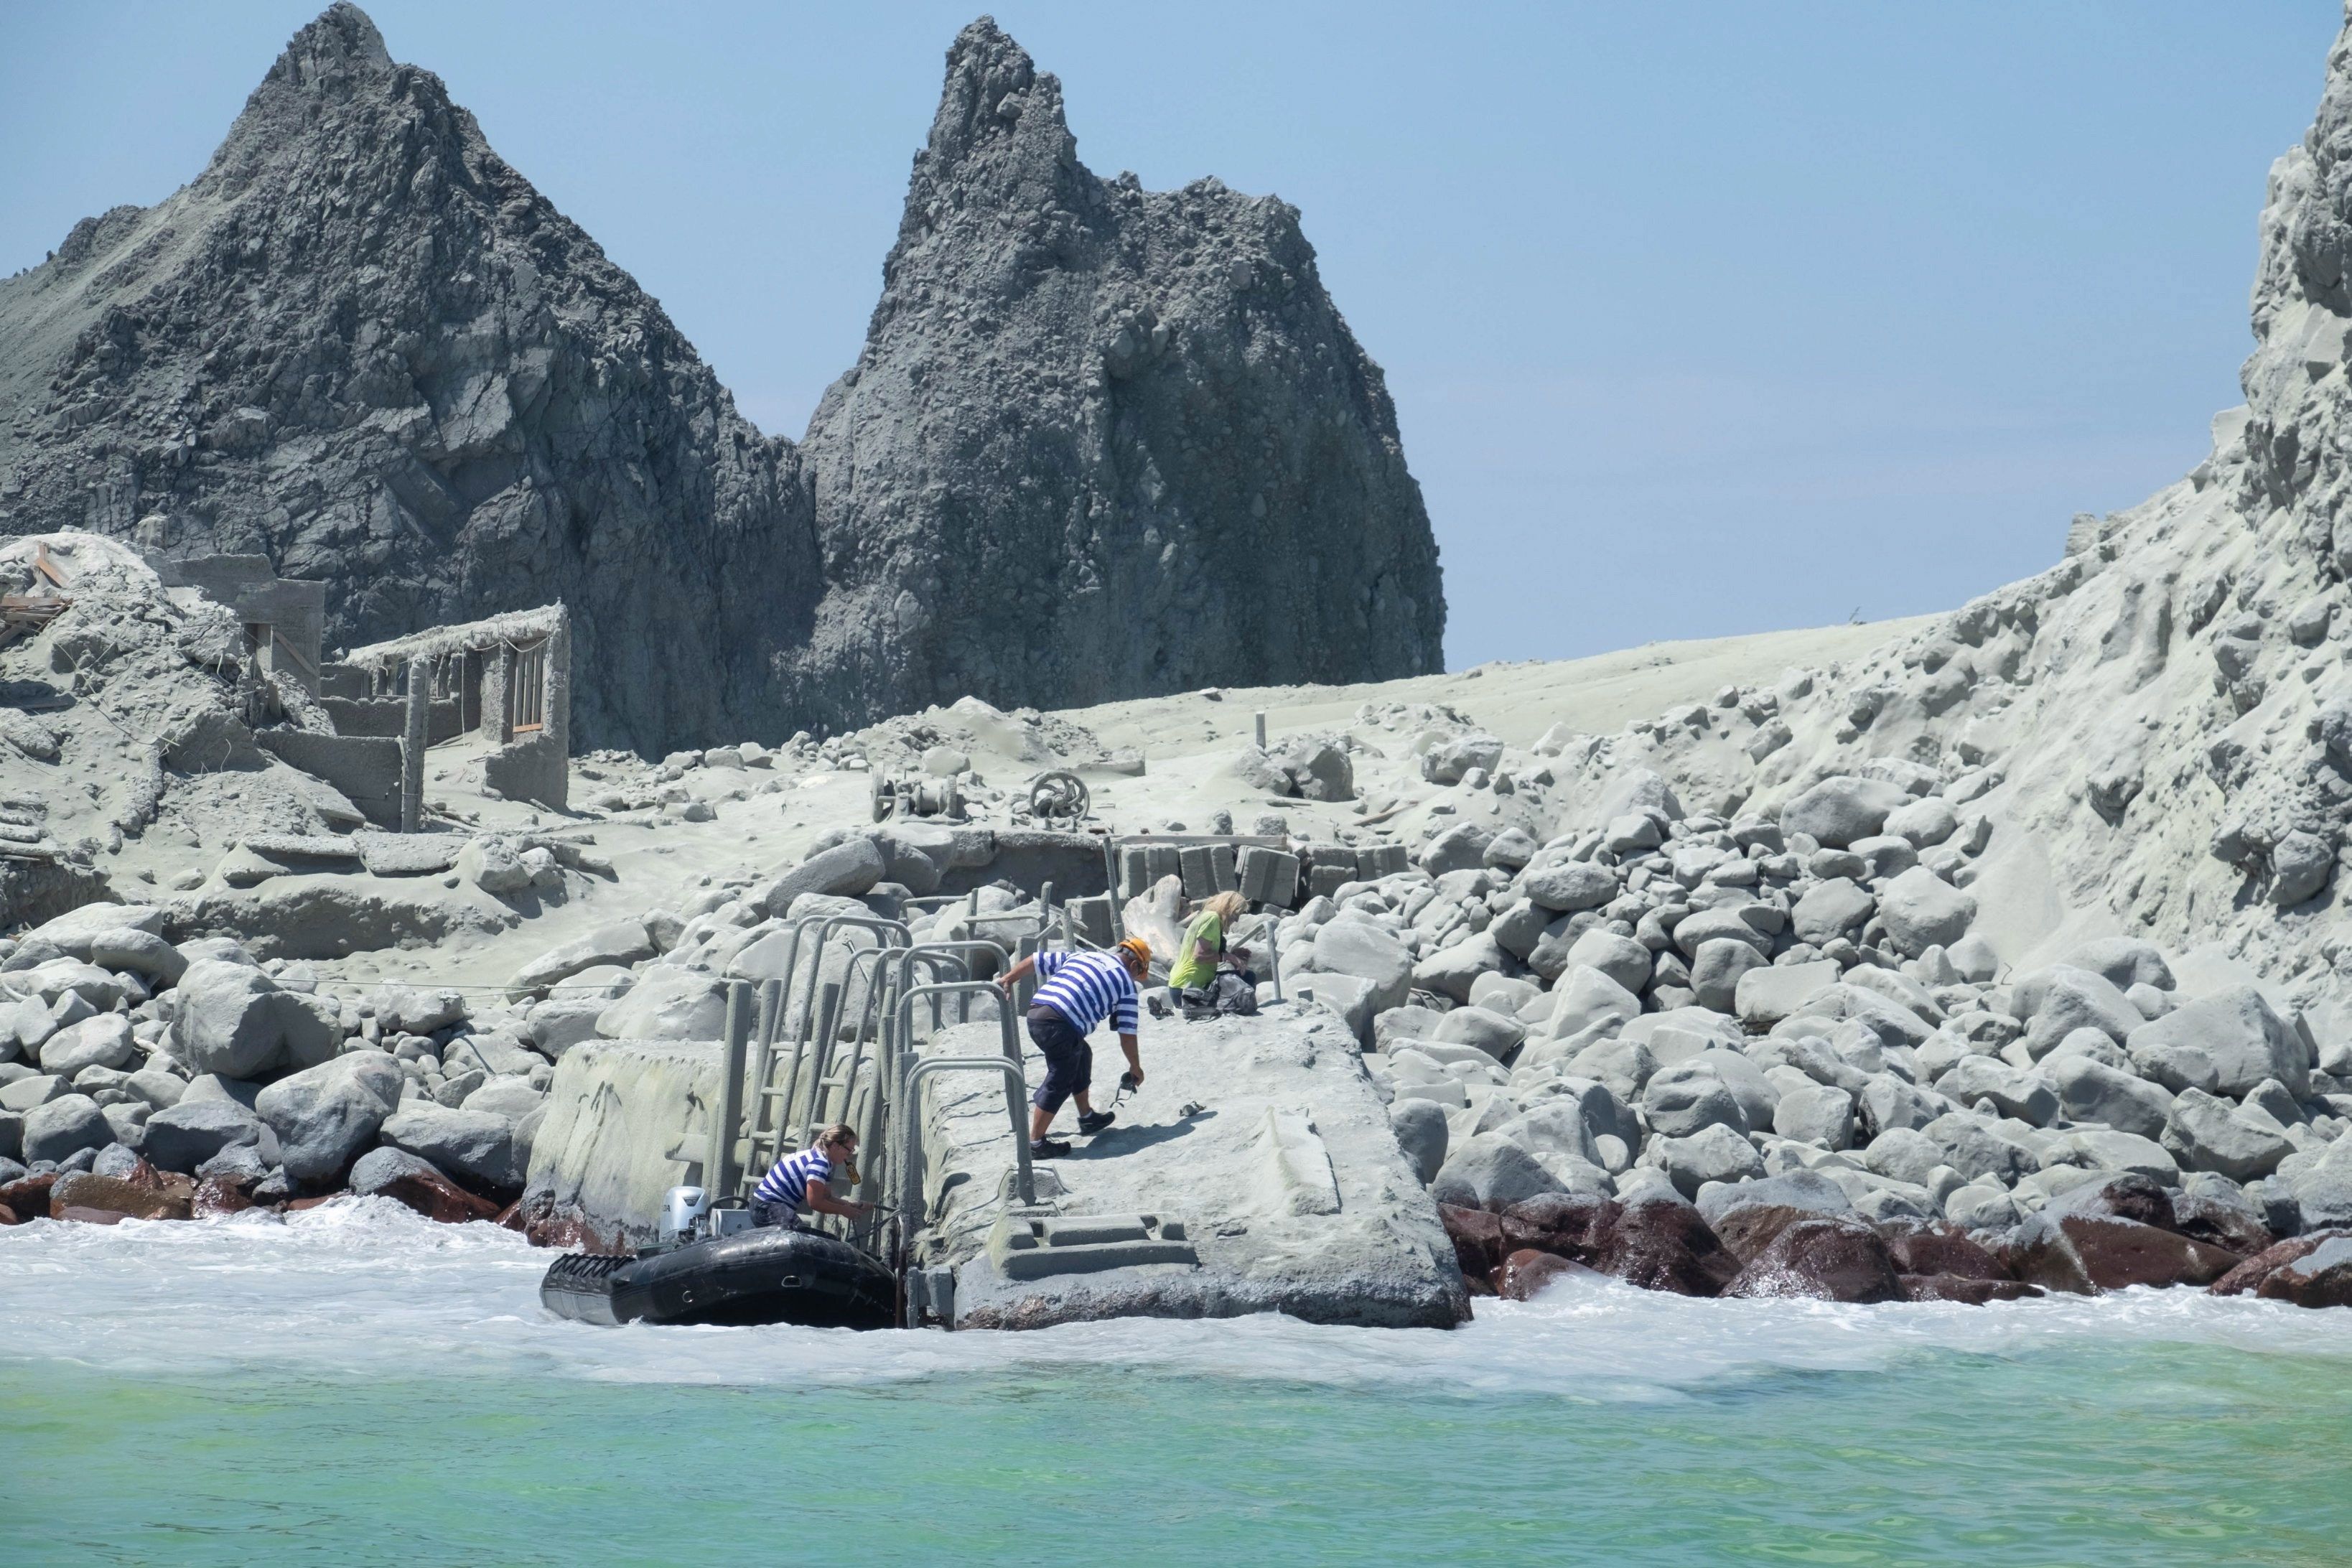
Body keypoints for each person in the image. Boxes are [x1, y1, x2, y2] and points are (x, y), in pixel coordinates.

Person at [996, 936, 1150, 1157]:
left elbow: (1035, 960)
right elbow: (1127, 1034)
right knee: (1061, 1076)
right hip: (1060, 1024)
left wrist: (1009, 978)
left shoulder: (1085, 956)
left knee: (1081, 1053)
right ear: (1135, 966)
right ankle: (1036, 1143)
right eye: (1138, 973)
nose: (1136, 977)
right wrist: (1135, 1067)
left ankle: (1087, 1118)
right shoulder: (1126, 985)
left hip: (1037, 1014)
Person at [748, 1122, 874, 1230]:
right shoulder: (819, 1163)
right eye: (849, 1150)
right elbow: (815, 1203)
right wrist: (843, 1211)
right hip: (766, 1207)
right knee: (797, 1233)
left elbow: (827, 1197)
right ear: (836, 1146)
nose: (849, 1155)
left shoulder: (825, 1162)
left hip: (766, 1206)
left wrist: (849, 1205)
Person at [1167, 890, 1253, 1016]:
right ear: (1228, 908)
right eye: (1236, 914)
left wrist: (1232, 954)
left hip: (1180, 987)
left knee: (1244, 979)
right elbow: (1199, 956)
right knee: (1248, 979)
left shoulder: (1206, 917)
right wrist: (1227, 957)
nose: (1237, 919)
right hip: (1187, 990)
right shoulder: (1212, 919)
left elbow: (1206, 951)